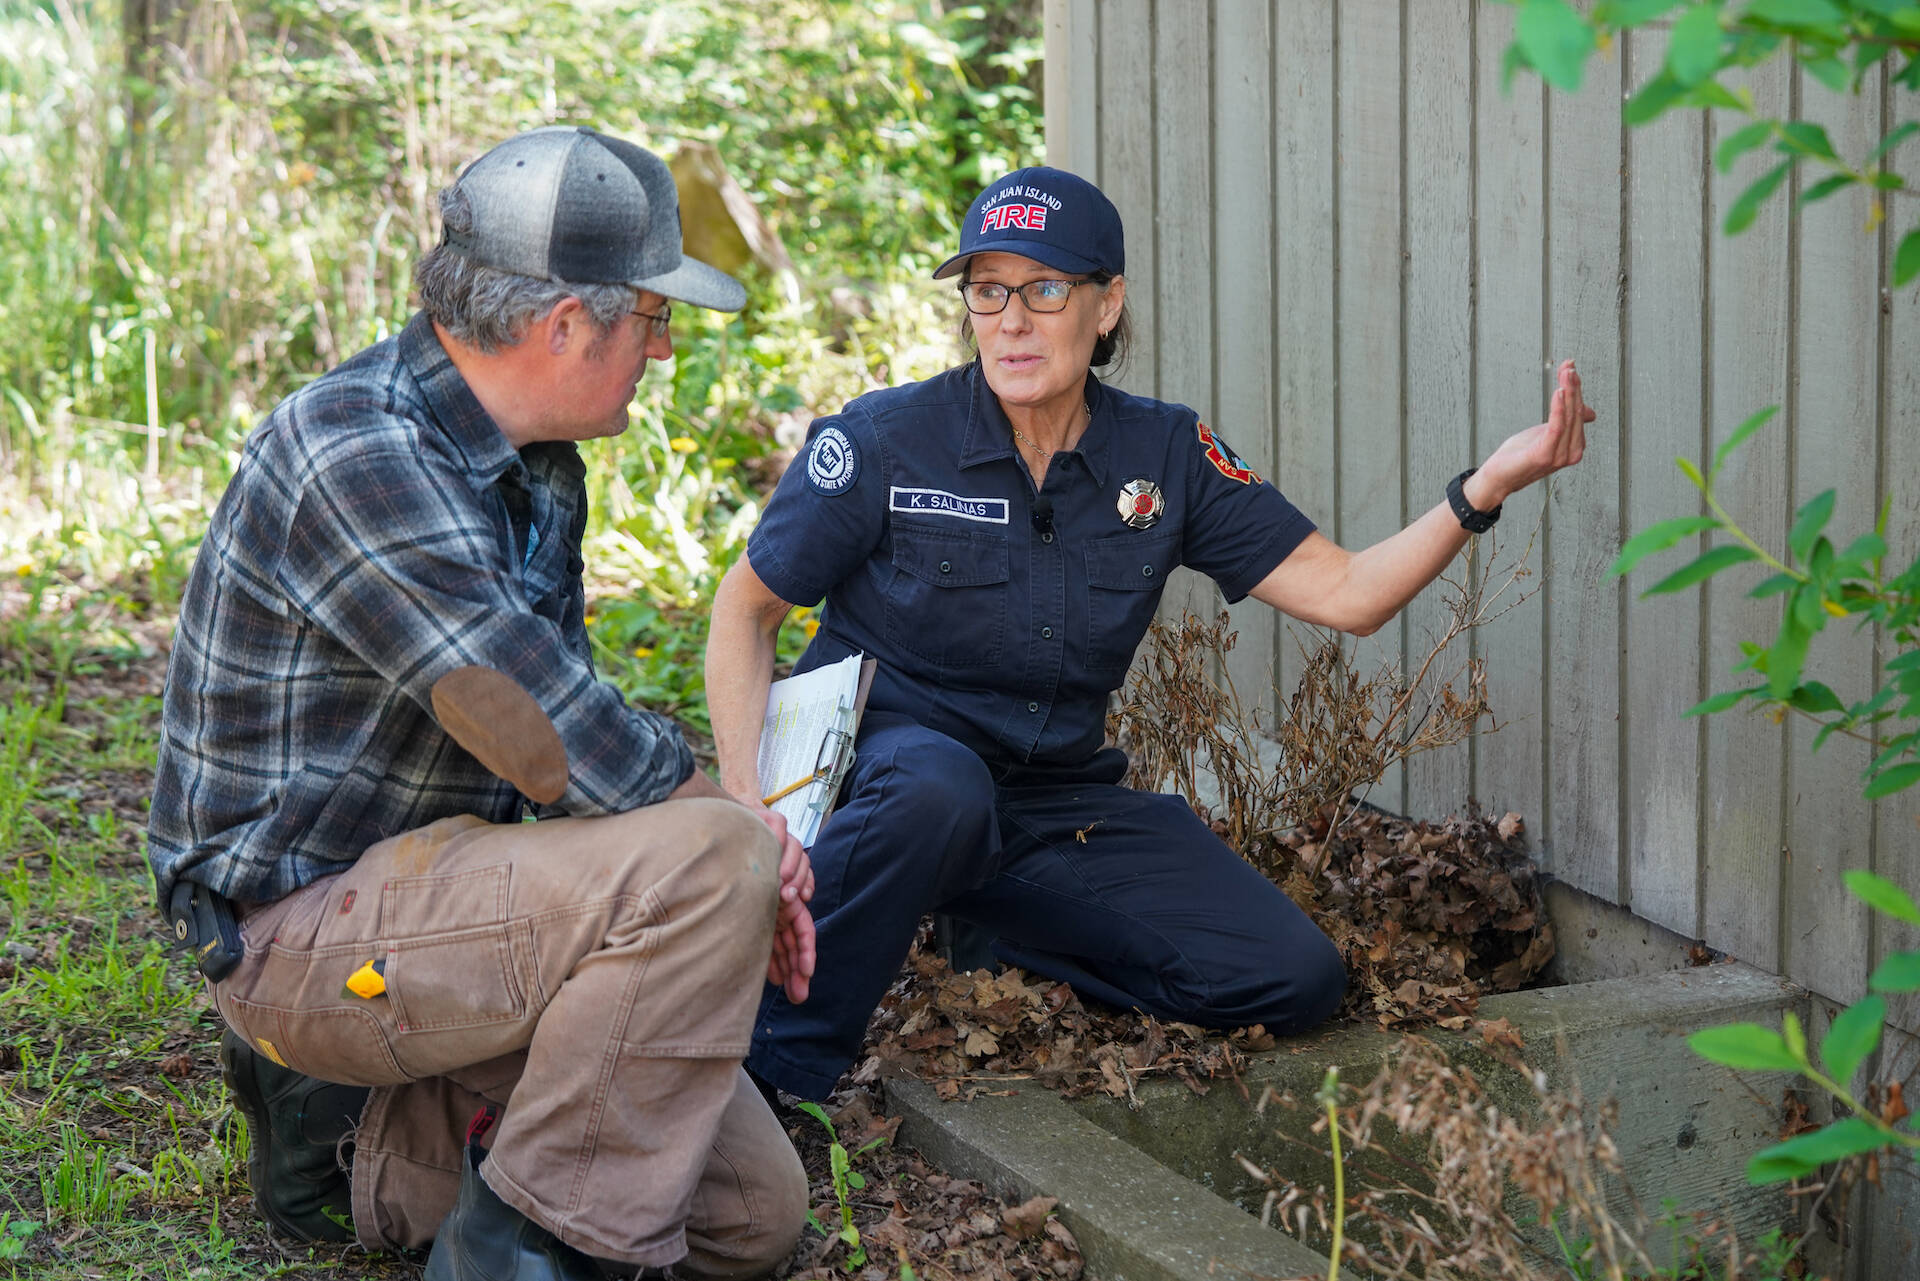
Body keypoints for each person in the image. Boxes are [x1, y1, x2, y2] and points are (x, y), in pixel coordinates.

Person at [706, 165, 1592, 1103]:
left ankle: (1000, 925)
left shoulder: (1164, 455)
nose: (1012, 319)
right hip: (895, 779)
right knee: (938, 788)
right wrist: (744, 803)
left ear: (1107, 303)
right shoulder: (888, 440)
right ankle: (766, 1078)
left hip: (1050, 802)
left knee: (1294, 976)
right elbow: (744, 608)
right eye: (988, 290)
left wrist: (1483, 490)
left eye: (1046, 290)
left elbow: (1349, 593)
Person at [148, 126, 816, 1281]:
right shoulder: (354, 447)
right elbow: (540, 719)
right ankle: (511, 1261)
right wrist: (735, 842)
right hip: (296, 936)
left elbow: (546, 772)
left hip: (438, 900)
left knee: (751, 1217)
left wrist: (718, 862)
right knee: (706, 856)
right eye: (653, 321)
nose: (661, 352)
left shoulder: (537, 464)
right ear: (566, 326)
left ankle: (357, 1145)